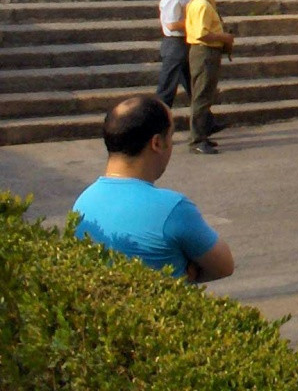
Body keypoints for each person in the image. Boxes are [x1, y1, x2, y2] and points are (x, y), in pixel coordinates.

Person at [72, 93, 234, 283]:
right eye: (171, 135)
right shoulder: (173, 208)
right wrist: (186, 271)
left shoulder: (83, 203)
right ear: (156, 143)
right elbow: (224, 265)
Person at [184, 0, 234, 155]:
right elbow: (202, 33)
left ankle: (202, 134)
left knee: (206, 95)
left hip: (208, 53)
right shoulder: (201, 5)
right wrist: (224, 37)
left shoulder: (204, 2)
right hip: (204, 52)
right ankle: (196, 139)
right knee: (202, 96)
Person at [155, 0, 198, 110]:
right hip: (175, 44)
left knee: (194, 86)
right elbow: (171, 24)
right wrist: (196, 22)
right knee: (167, 89)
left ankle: (206, 122)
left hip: (185, 42)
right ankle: (157, 123)